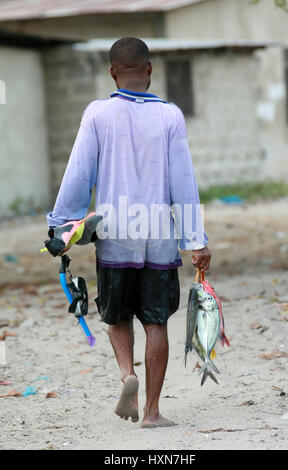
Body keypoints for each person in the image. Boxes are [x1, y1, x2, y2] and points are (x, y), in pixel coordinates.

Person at [47, 37, 211, 428]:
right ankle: (152, 412)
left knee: (116, 315)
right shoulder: (171, 116)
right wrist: (196, 240)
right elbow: (183, 181)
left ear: (112, 73)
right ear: (150, 70)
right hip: (158, 235)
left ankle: (127, 375)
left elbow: (78, 173)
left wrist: (61, 225)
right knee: (156, 322)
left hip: (115, 231)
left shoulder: (98, 113)